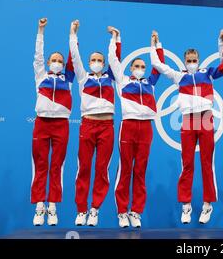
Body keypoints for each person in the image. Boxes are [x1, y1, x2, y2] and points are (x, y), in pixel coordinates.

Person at [150, 28, 223, 224]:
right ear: (184, 61)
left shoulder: (208, 73)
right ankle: (186, 206)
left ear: (199, 60)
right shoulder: (179, 76)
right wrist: (156, 44)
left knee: (207, 164)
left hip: (205, 118)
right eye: (189, 60)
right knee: (187, 164)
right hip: (188, 120)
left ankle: (207, 205)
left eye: (195, 59)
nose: (192, 62)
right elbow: (157, 64)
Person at [108, 28, 165, 228]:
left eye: (143, 66)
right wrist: (116, 38)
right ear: (131, 68)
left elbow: (159, 66)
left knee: (140, 171)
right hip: (128, 126)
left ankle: (136, 211)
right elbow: (113, 61)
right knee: (125, 169)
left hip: (146, 128)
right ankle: (122, 212)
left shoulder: (151, 82)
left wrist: (156, 44)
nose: (141, 68)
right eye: (137, 66)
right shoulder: (123, 82)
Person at [69, 20, 121, 226]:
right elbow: (74, 56)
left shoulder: (111, 77)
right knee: (84, 168)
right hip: (88, 126)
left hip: (107, 127)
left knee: (102, 169)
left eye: (100, 59)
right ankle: (81, 210)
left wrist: (115, 38)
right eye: (94, 59)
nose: (97, 62)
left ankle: (94, 209)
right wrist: (73, 34)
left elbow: (115, 59)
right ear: (89, 62)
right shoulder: (83, 77)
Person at [31, 18, 75, 226]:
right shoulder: (41, 76)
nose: (57, 63)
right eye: (54, 60)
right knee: (41, 165)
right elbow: (38, 56)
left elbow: (73, 58)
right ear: (49, 64)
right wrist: (41, 31)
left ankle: (53, 206)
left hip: (61, 125)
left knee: (56, 165)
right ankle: (40, 206)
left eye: (60, 61)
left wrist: (72, 33)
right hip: (42, 123)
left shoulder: (68, 79)